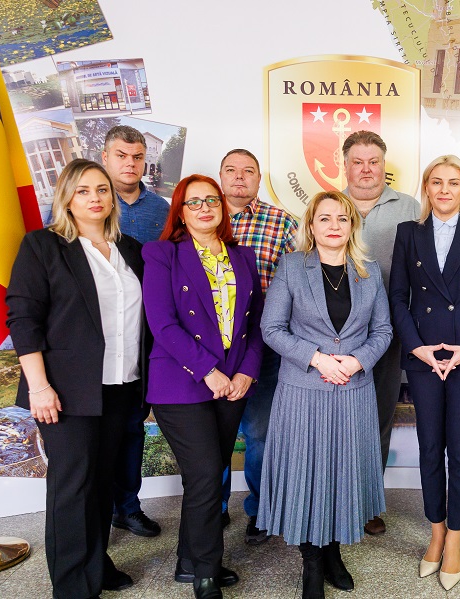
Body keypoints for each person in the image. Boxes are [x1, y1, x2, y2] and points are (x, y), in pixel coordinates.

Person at [6, 158, 144, 598]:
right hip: (65, 390)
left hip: (121, 385)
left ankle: (95, 565)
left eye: (102, 189)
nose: (94, 198)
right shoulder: (43, 246)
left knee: (103, 481)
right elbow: (23, 319)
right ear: (66, 197)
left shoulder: (130, 249)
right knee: (73, 488)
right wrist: (40, 386)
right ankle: (72, 587)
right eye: (83, 190)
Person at [258, 191, 392, 599]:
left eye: (342, 218)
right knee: (308, 476)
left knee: (341, 474)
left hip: (353, 390)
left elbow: (383, 330)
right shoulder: (292, 266)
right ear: (311, 226)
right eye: (325, 218)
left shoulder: (369, 270)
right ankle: (312, 563)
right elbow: (271, 328)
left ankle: (334, 553)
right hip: (304, 391)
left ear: (353, 226)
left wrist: (356, 361)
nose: (334, 225)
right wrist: (317, 359)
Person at [142, 174, 264, 599]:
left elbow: (255, 324)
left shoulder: (243, 256)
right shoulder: (162, 254)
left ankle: (188, 561)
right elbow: (162, 323)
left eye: (211, 200)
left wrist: (247, 372)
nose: (204, 207)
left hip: (233, 385)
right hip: (182, 383)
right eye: (193, 202)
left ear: (222, 206)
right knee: (207, 476)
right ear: (180, 211)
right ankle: (206, 574)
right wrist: (207, 370)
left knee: (205, 477)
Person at [390, 155, 460, 590]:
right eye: (436, 182)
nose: (444, 189)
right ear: (426, 188)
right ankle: (435, 532)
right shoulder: (409, 232)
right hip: (424, 354)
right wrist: (416, 347)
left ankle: (455, 537)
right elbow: (397, 296)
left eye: (453, 183)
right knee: (429, 447)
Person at [342, 130, 421, 535]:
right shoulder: (328, 205)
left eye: (373, 162)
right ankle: (335, 499)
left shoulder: (410, 207)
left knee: (379, 416)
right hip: (336, 333)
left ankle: (369, 502)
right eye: (358, 162)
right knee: (337, 419)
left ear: (383, 166)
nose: (366, 169)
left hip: (388, 330)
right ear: (345, 166)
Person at [218, 148, 298, 542]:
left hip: (263, 347)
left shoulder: (281, 222)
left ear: (259, 178)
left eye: (248, 171)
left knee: (260, 433)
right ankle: (212, 509)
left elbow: (303, 278)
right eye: (231, 170)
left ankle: (260, 508)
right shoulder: (200, 217)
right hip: (210, 351)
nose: (239, 177)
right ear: (220, 176)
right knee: (212, 434)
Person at [102, 124, 168, 538]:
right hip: (92, 339)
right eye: (122, 156)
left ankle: (126, 508)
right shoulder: (81, 201)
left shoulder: (161, 209)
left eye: (138, 157)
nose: (130, 163)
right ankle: (93, 515)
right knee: (93, 433)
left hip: (142, 334)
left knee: (131, 426)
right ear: (105, 157)